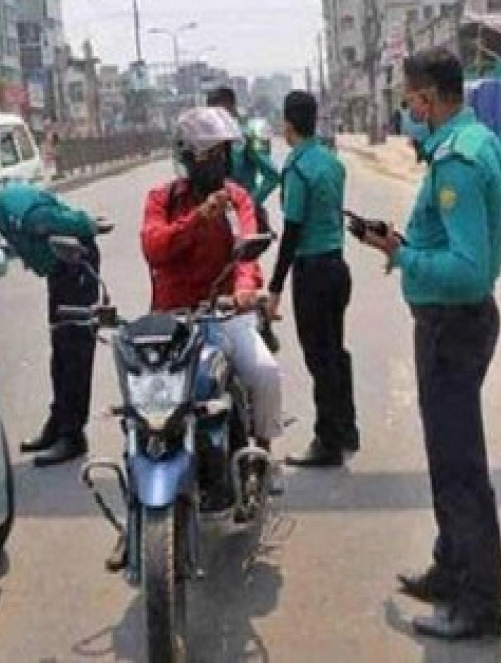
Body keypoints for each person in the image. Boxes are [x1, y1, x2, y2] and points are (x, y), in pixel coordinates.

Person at [361, 49, 501, 642]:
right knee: (449, 461)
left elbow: (469, 269)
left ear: (426, 98)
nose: (408, 112)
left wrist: (400, 255)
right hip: (454, 324)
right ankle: (451, 567)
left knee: (458, 469)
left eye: (408, 101)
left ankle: (479, 603)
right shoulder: (479, 138)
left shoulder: (457, 160)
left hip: (453, 324)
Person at [141, 106, 284, 457]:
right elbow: (153, 248)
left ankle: (262, 456)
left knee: (264, 372)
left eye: (222, 153)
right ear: (188, 158)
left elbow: (245, 253)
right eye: (209, 154)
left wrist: (244, 291)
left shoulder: (237, 199)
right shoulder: (163, 199)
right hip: (172, 318)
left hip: (222, 314)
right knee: (145, 397)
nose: (218, 162)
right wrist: (197, 219)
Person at [0, 178, 102, 466]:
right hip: (61, 273)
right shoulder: (3, 216)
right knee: (59, 353)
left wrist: (88, 225)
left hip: (77, 268)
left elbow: (79, 224)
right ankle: (57, 426)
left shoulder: (25, 217)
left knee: (75, 354)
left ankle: (72, 436)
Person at [266, 90, 357, 467]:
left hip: (313, 271)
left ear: (287, 124)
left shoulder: (297, 168)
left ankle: (327, 440)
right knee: (335, 351)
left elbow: (292, 231)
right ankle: (346, 427)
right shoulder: (331, 163)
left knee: (319, 357)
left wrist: (274, 288)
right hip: (337, 267)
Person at [206, 86, 281, 233]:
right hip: (214, 217)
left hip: (243, 219)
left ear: (232, 108)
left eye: (221, 112)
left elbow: (272, 175)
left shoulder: (247, 136)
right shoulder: (206, 141)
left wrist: (249, 203)